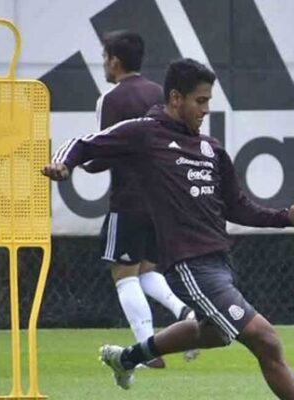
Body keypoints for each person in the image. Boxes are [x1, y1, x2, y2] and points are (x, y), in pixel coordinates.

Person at [43, 58, 294, 400]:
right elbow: (85, 144)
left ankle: (127, 358)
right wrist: (63, 164)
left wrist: (285, 217)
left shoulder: (211, 149)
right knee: (266, 341)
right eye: (200, 101)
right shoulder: (145, 133)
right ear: (176, 98)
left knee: (215, 334)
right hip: (189, 263)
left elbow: (236, 206)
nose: (205, 109)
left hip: (219, 262)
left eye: (208, 101)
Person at [83, 30, 197, 367]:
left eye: (104, 58)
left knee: (124, 275)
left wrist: (85, 163)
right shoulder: (160, 94)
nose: (104, 64)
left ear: (114, 61)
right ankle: (186, 314)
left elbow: (104, 149)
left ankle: (148, 348)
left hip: (129, 199)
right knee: (147, 270)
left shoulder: (112, 99)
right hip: (162, 200)